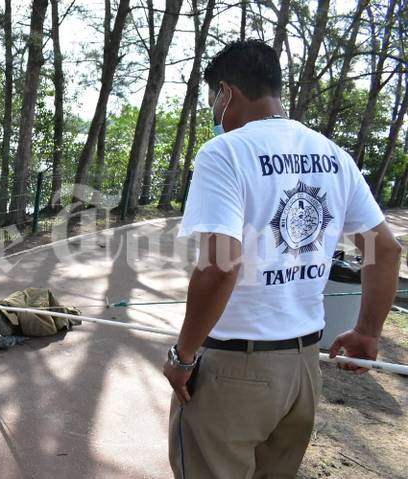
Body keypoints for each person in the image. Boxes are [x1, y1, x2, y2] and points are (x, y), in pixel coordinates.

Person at [163, 39, 402, 479]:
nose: (214, 114)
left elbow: (219, 266)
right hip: (304, 370)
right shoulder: (334, 156)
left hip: (233, 371)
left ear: (225, 92)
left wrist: (183, 357)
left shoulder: (225, 152)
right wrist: (368, 331)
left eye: (213, 101)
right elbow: (385, 249)